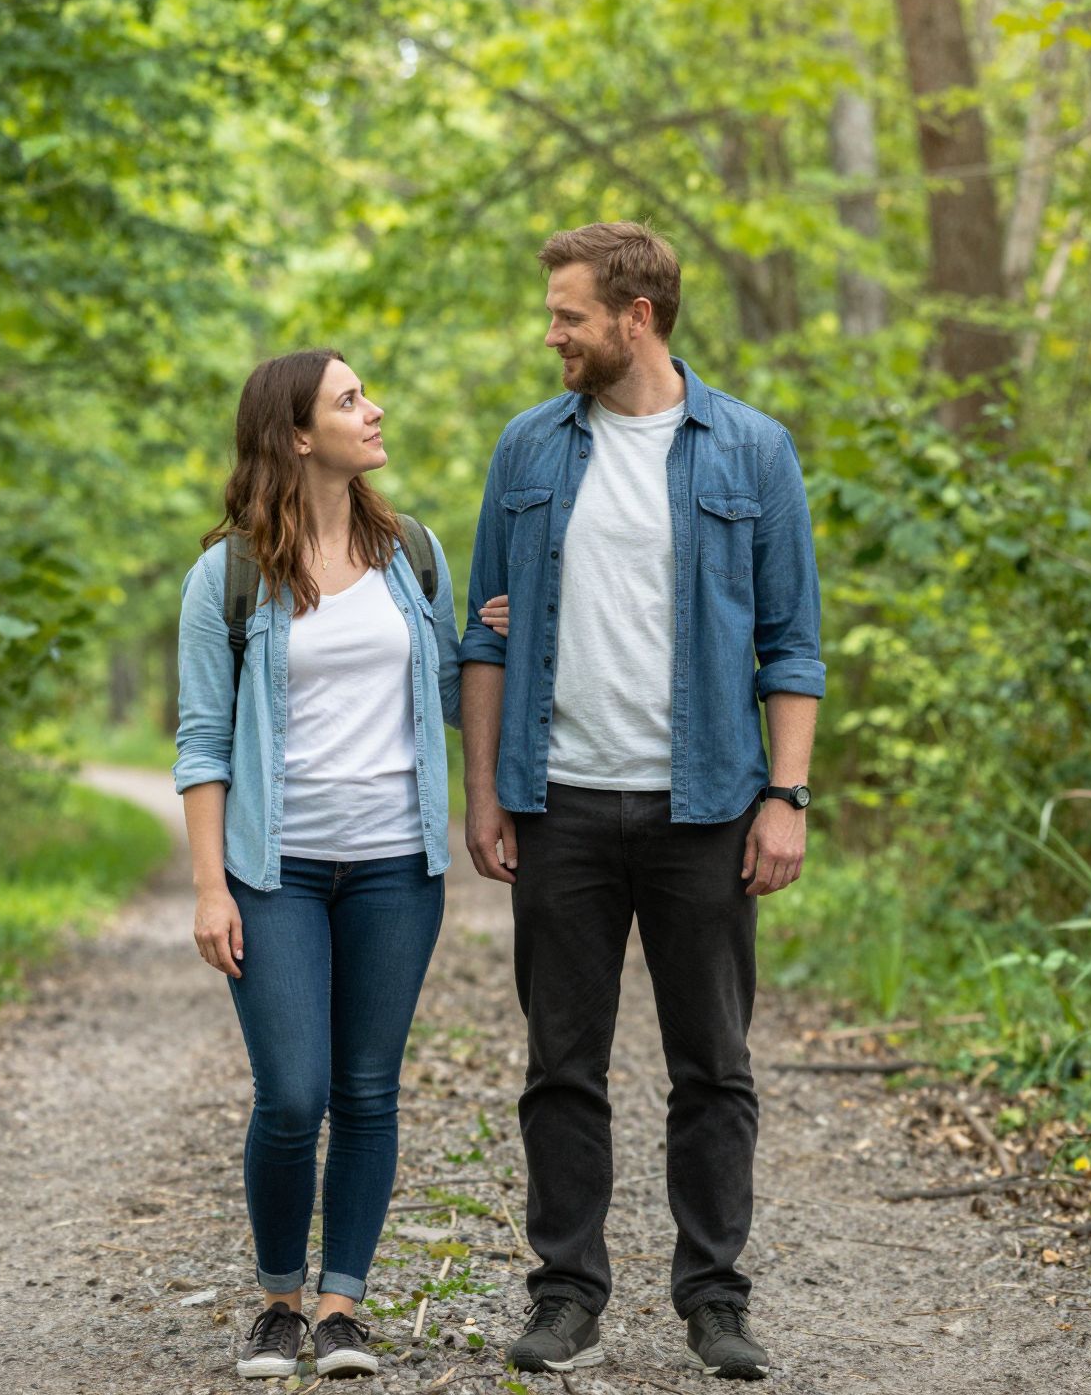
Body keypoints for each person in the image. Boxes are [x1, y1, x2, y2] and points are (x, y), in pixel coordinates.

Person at [458, 223, 825, 1380]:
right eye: (551, 313)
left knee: (710, 1067)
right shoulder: (526, 451)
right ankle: (565, 1295)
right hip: (558, 802)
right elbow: (484, 631)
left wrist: (786, 796)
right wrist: (485, 794)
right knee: (559, 1066)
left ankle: (714, 1299)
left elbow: (791, 644)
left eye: (568, 315)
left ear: (638, 315)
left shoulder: (750, 452)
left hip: (705, 809)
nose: (550, 333)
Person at [173, 348, 464, 1380]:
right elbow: (203, 741)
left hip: (396, 867)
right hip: (276, 871)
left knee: (368, 1090)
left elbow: (445, 688)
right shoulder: (229, 574)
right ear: (296, 436)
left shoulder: (414, 554)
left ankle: (342, 1304)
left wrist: (490, 643)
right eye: (349, 400)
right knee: (292, 1094)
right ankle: (276, 1300)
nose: (373, 408)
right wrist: (210, 886)